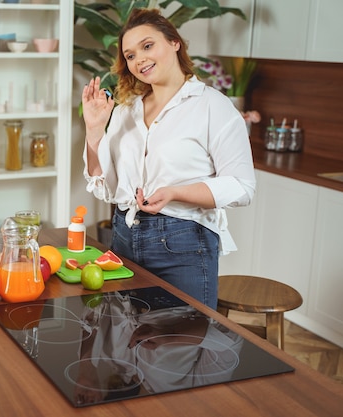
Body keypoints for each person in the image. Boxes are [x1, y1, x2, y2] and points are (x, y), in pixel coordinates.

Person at [81, 8, 256, 309]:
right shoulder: (126, 111)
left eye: (147, 46)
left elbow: (242, 187)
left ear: (174, 42)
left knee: (181, 345)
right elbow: (105, 186)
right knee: (126, 347)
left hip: (184, 243)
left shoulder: (213, 106)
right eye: (130, 56)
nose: (139, 60)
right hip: (124, 236)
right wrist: (94, 130)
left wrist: (175, 192)